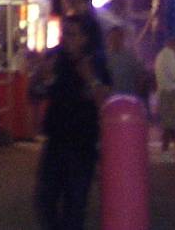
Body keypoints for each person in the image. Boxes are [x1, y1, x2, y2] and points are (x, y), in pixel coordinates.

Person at [32, 16, 110, 230]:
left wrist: (90, 78)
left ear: (85, 38)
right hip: (55, 140)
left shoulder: (95, 61)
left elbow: (105, 101)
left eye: (72, 34)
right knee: (44, 200)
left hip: (82, 144)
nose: (66, 39)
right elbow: (36, 94)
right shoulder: (55, 59)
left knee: (75, 204)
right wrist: (43, 78)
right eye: (64, 33)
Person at [154, 37, 175, 152]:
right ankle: (173, 148)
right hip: (171, 95)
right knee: (171, 125)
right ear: (174, 43)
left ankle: (173, 148)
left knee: (169, 124)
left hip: (166, 94)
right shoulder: (169, 56)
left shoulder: (162, 55)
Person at [104, 23, 145, 100]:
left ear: (122, 38)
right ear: (108, 38)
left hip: (130, 98)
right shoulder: (104, 58)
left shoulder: (130, 56)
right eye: (113, 37)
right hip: (111, 100)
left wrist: (138, 93)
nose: (115, 40)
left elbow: (140, 75)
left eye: (118, 36)